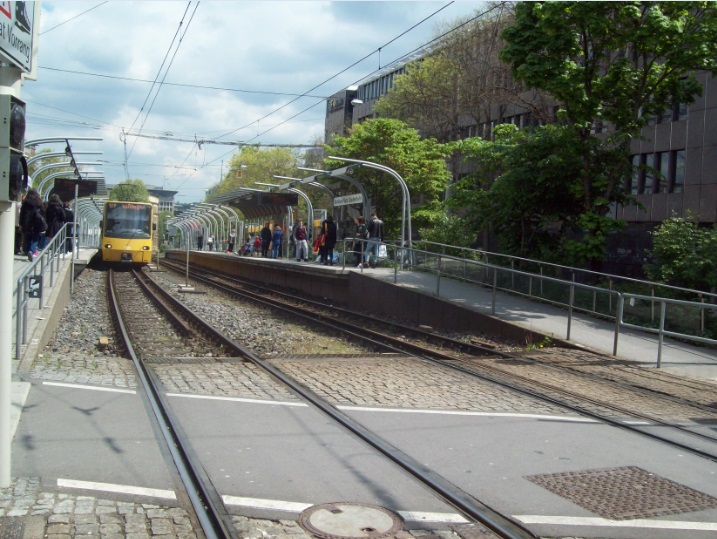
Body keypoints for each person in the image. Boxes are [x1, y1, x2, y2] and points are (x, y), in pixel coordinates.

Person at [19, 189, 46, 261]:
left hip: (26, 223)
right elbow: (43, 212)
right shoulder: (39, 202)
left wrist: (21, 223)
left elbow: (22, 214)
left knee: (27, 238)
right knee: (35, 238)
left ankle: (27, 251)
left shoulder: (25, 203)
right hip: (36, 223)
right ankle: (31, 250)